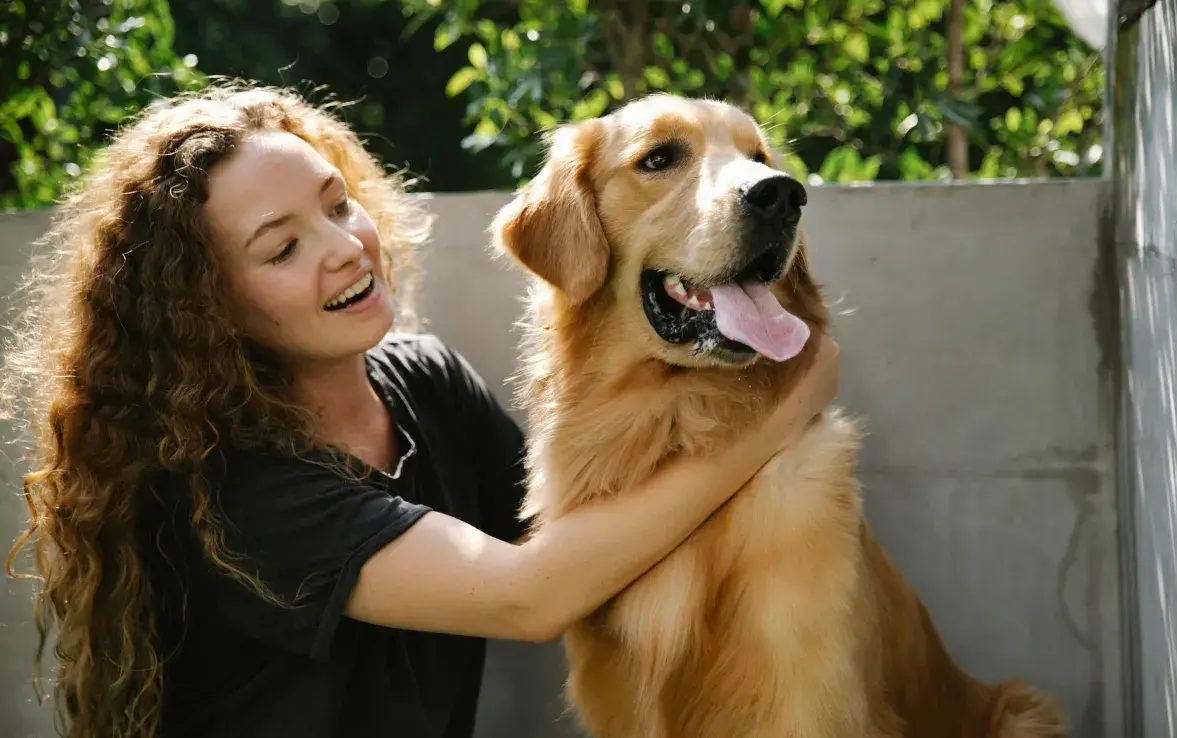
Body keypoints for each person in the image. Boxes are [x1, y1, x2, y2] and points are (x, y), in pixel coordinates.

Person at [1, 82, 840, 738]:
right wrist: (778, 414)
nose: (342, 247)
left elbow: (592, 541)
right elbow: (533, 594)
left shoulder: (426, 383)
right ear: (208, 309)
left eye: (337, 204)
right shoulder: (234, 492)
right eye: (284, 248)